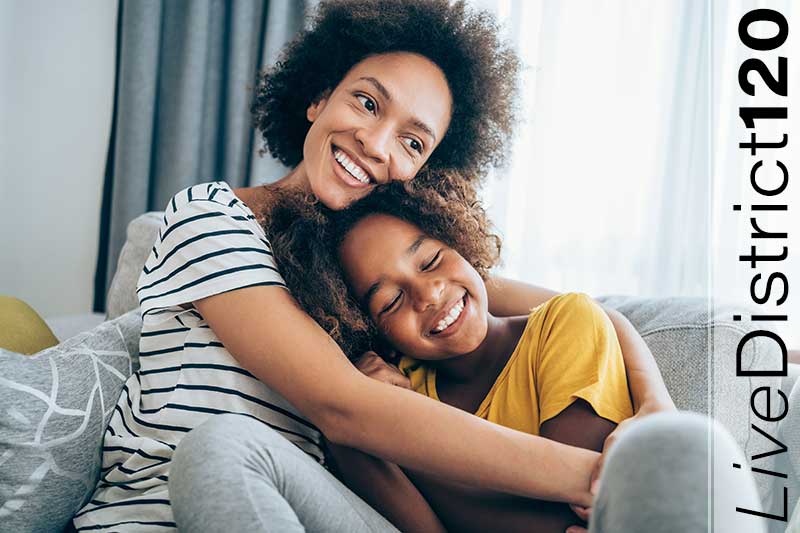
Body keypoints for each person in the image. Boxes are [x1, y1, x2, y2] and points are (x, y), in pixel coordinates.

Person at [73, 1, 678, 531]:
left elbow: (588, 311)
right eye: (367, 102)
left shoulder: (378, 266)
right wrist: (603, 479)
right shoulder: (212, 218)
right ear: (317, 98)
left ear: (425, 170)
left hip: (323, 505)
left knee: (226, 448)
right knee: (221, 447)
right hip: (159, 509)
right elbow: (343, 408)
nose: (377, 142)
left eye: (413, 142)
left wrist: (657, 410)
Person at [268, 182, 633, 532]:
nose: (427, 295)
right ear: (373, 332)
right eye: (391, 302)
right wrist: (374, 422)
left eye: (430, 261)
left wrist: (397, 441)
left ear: (461, 242)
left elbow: (565, 515)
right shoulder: (390, 395)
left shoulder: (567, 323)